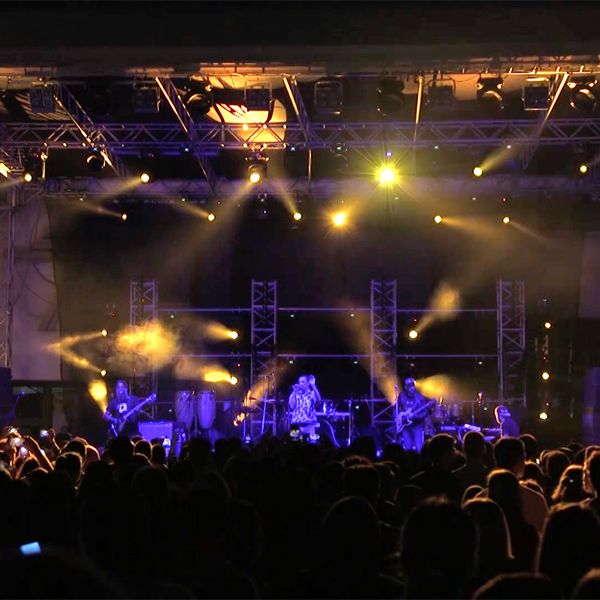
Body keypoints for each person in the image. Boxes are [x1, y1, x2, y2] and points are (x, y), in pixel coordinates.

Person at [396, 377, 433, 452]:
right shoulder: (401, 395)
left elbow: (425, 412)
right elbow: (396, 407)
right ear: (405, 387)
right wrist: (397, 418)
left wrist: (415, 416)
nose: (411, 388)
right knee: (407, 448)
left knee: (419, 448)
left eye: (412, 385)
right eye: (409, 386)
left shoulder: (420, 398)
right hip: (405, 426)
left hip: (417, 425)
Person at [288, 374, 321, 440]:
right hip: (296, 424)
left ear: (308, 383)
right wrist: (294, 391)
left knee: (311, 443)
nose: (300, 383)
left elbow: (319, 401)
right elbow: (292, 406)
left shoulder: (312, 394)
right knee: (294, 443)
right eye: (299, 382)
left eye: (303, 382)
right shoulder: (295, 394)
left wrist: (313, 385)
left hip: (310, 425)